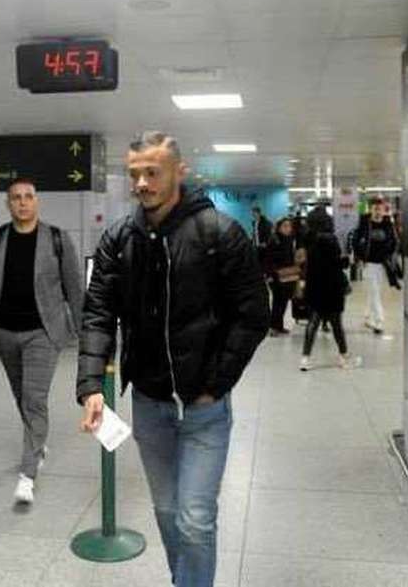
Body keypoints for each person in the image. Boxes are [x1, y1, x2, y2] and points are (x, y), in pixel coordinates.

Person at [77, 131, 269, 587]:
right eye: (135, 174)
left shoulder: (219, 233)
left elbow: (253, 314)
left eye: (152, 172)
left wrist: (216, 382)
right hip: (150, 404)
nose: (142, 183)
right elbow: (98, 313)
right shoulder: (119, 239)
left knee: (196, 519)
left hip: (204, 409)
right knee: (167, 512)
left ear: (179, 171)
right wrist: (90, 387)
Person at [0, 179, 83, 504]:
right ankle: (38, 443)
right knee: (20, 396)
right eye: (16, 198)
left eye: (28, 197)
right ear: (8, 203)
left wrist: (89, 337)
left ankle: (28, 474)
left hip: (44, 332)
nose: (23, 203)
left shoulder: (57, 239)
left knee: (33, 398)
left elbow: (75, 290)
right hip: (4, 333)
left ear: (37, 202)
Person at [299, 206, 358, 371]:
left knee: (313, 322)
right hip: (332, 286)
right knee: (336, 323)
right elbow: (335, 264)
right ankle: (343, 357)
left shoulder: (308, 238)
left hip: (314, 285)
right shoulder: (330, 239)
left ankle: (305, 358)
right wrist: (347, 261)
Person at [353, 197, 398, 335]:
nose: (378, 211)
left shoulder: (387, 222)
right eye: (375, 208)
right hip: (369, 263)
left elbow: (394, 241)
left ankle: (367, 316)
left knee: (375, 290)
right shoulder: (364, 222)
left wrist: (390, 255)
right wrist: (360, 257)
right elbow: (355, 240)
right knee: (374, 291)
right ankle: (379, 321)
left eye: (380, 208)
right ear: (370, 209)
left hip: (383, 263)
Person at [266, 218, 298, 335]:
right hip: (276, 275)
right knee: (277, 301)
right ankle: (273, 327)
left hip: (287, 274)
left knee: (284, 301)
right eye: (285, 226)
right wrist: (270, 274)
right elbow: (268, 259)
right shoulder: (274, 240)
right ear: (279, 227)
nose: (288, 228)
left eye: (289, 226)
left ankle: (279, 326)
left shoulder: (289, 240)